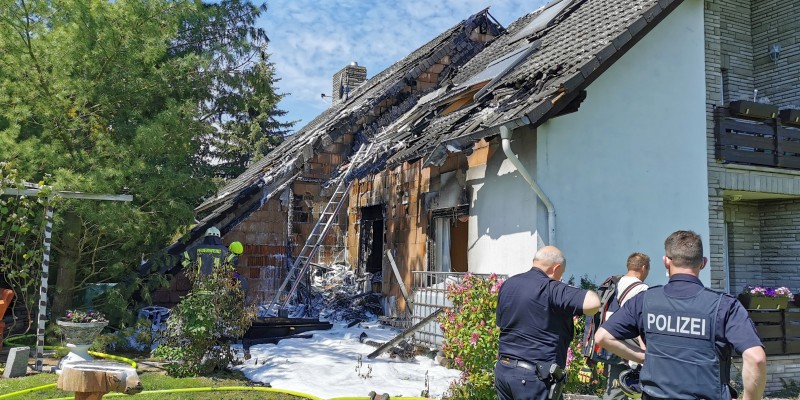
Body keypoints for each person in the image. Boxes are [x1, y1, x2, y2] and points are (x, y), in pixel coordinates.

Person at [596, 230, 767, 400]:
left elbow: (603, 337)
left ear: (666, 262)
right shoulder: (725, 305)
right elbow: (756, 358)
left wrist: (645, 357)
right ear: (703, 263)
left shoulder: (645, 300)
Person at [495, 245, 601, 400]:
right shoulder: (552, 288)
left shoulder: (509, 285)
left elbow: (501, 325)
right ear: (556, 268)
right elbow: (594, 303)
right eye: (561, 274)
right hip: (533, 378)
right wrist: (568, 289)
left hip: (504, 371)